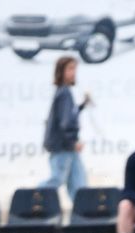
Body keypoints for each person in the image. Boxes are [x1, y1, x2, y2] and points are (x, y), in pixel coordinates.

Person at [42, 57, 89, 201]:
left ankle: (82, 214)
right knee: (57, 179)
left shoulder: (64, 92)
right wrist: (74, 141)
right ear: (60, 71)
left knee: (79, 184)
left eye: (75, 69)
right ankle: (33, 196)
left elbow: (68, 115)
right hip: (62, 146)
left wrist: (82, 106)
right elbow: (65, 123)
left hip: (68, 147)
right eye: (70, 69)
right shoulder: (64, 93)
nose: (74, 73)